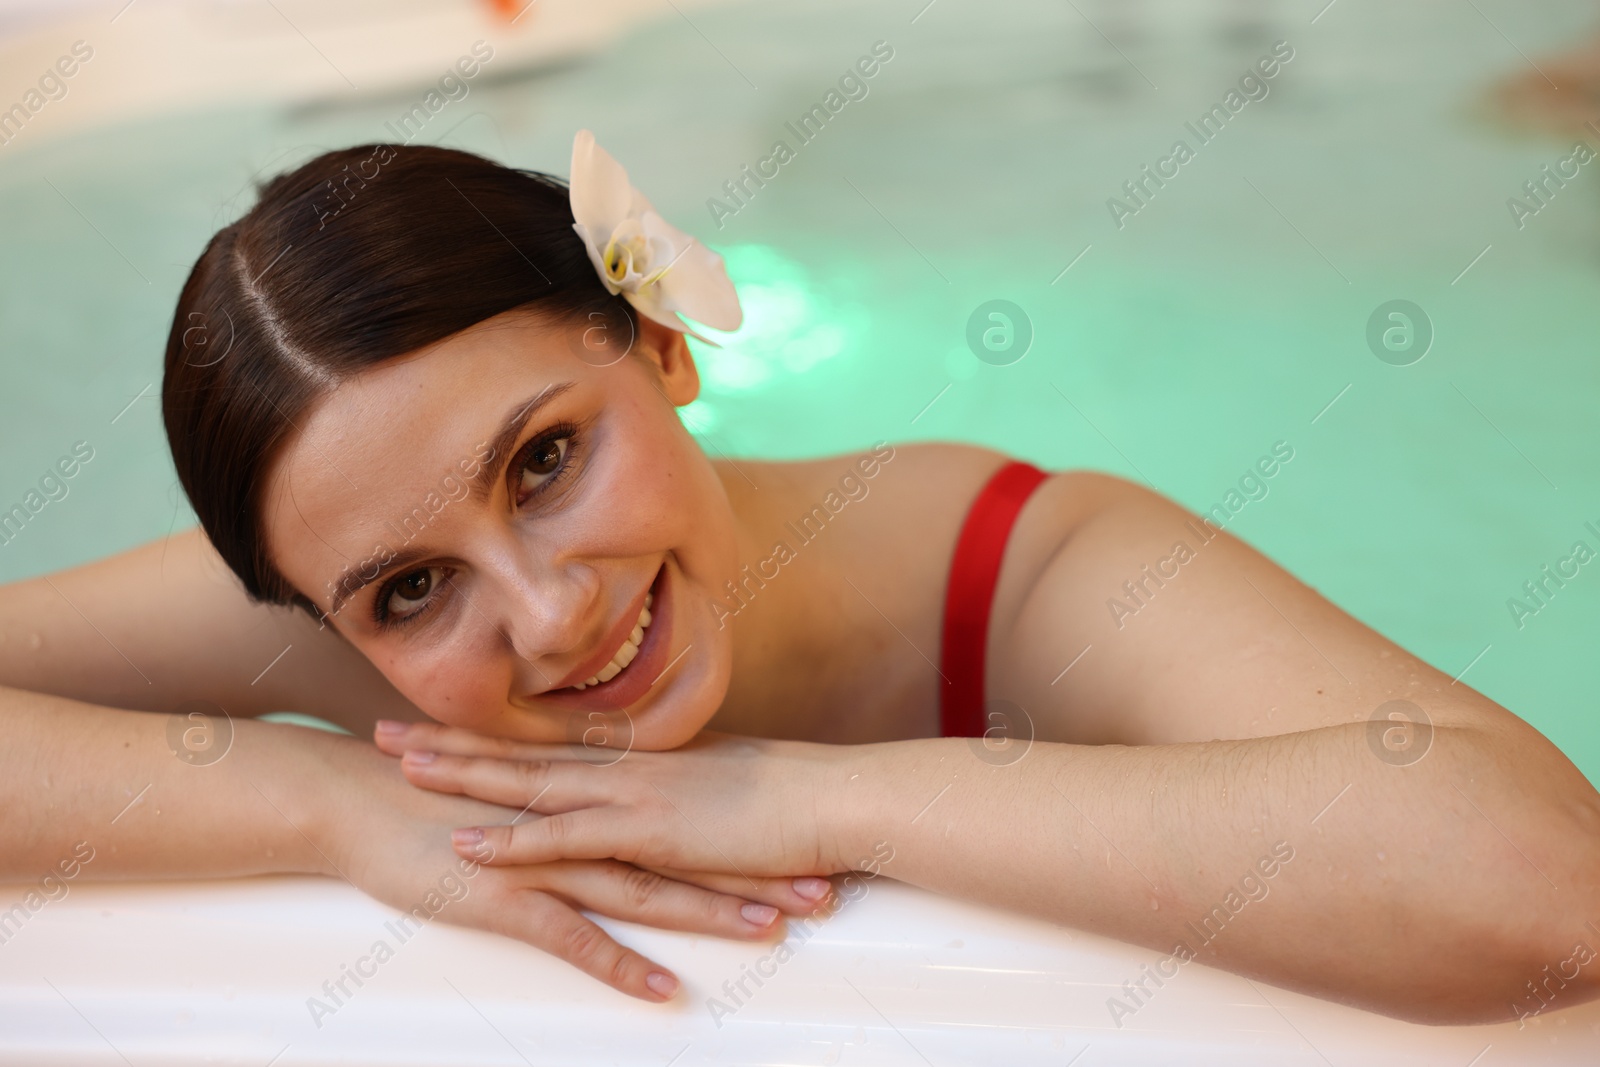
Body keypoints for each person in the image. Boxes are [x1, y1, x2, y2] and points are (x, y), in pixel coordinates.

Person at [2, 131, 1595, 1025]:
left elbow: (1543, 886)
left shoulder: (1026, 569)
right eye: (410, 590)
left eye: (547, 458)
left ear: (666, 341)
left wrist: (815, 797)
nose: (547, 614)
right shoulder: (353, 613)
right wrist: (332, 811)